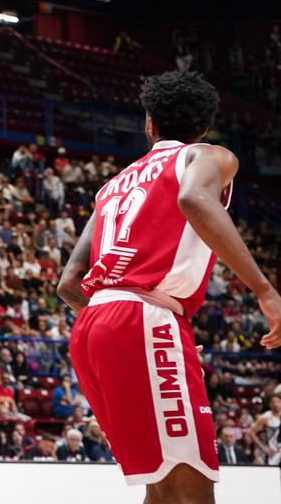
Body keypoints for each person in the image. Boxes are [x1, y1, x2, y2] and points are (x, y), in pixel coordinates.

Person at [58, 71, 281, 502]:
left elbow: (70, 282)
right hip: (142, 315)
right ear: (203, 127)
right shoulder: (208, 155)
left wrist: (131, 334)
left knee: (161, 491)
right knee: (192, 492)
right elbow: (193, 199)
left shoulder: (112, 187)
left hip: (93, 325)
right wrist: (264, 290)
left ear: (149, 123)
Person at [246, 393, 281, 466]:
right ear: (270, 404)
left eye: (277, 401)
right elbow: (251, 432)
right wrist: (263, 447)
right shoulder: (266, 417)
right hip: (271, 452)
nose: (275, 404)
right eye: (273, 402)